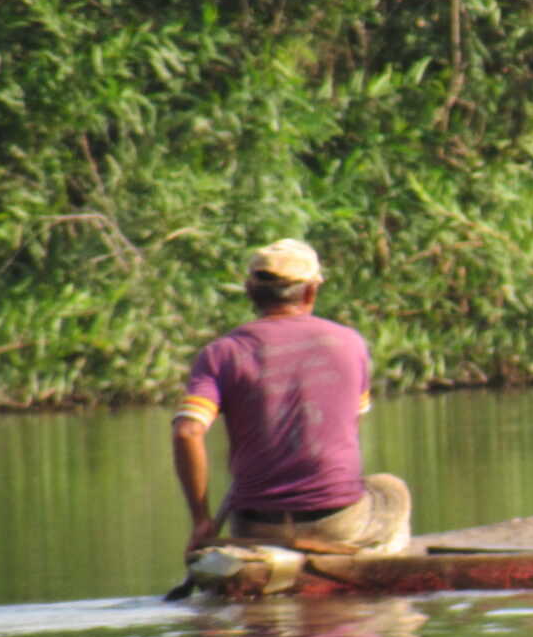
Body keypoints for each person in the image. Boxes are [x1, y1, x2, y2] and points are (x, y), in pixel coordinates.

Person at [172, 239, 411, 565]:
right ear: (311, 292)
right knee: (392, 490)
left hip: (254, 525)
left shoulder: (220, 354)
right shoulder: (350, 343)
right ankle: (379, 570)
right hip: (335, 521)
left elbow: (187, 432)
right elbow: (350, 424)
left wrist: (201, 520)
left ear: (250, 292)